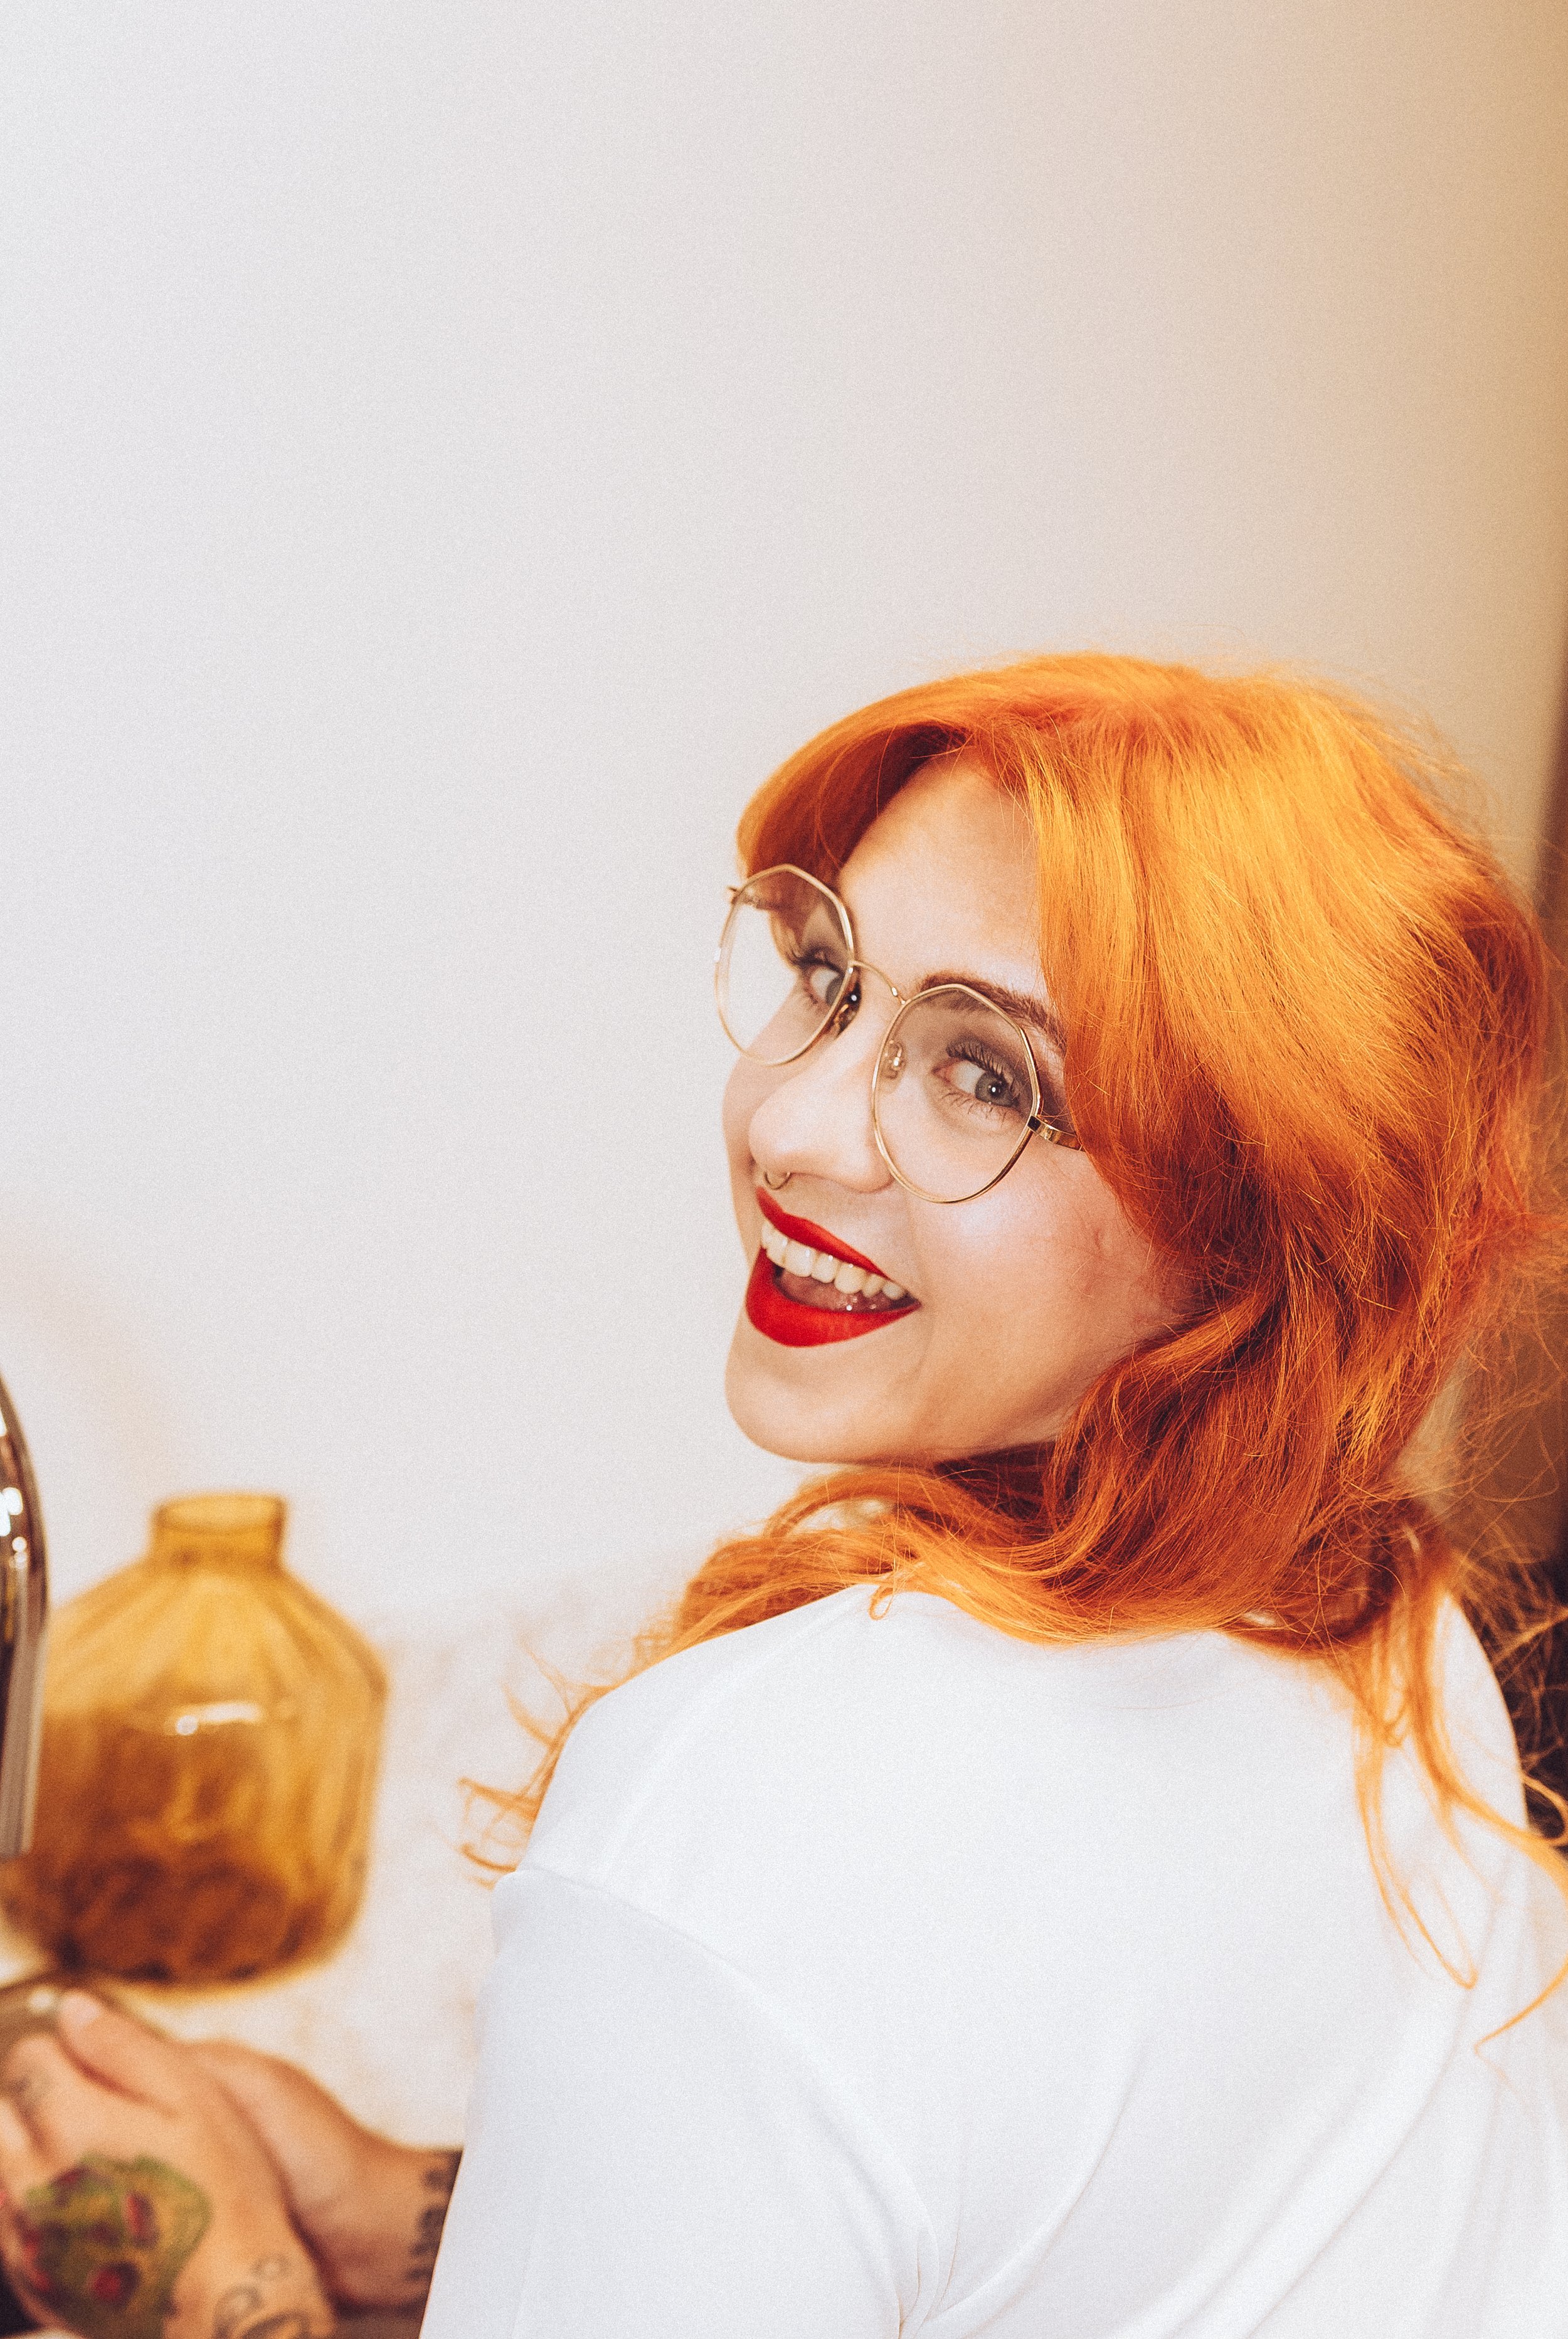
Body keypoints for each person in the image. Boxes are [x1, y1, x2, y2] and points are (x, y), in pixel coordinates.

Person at [1, 654, 1565, 2338]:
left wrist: (220, 2287)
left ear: (1248, 1239)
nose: (794, 1122)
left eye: (986, 1076)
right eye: (826, 978)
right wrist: (409, 2215)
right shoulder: (1378, 1611)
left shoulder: (744, 1813)